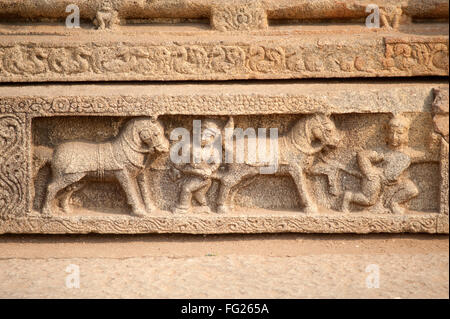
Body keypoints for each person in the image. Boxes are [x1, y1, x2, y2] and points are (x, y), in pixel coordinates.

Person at [342, 114, 419, 214]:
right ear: (386, 134)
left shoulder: (408, 153)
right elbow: (362, 155)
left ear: (406, 135)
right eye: (391, 133)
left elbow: (426, 155)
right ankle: (349, 197)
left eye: (399, 133)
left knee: (412, 190)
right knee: (369, 200)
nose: (394, 137)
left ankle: (393, 202)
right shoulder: (382, 152)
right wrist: (368, 172)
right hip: (376, 179)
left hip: (394, 182)